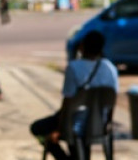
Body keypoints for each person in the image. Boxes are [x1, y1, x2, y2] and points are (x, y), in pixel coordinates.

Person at [30, 31, 119, 160]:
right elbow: (112, 100)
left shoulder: (74, 67)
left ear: (82, 46)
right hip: (100, 122)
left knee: (37, 128)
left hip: (75, 123)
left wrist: (59, 129)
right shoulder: (110, 68)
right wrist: (107, 123)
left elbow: (68, 103)